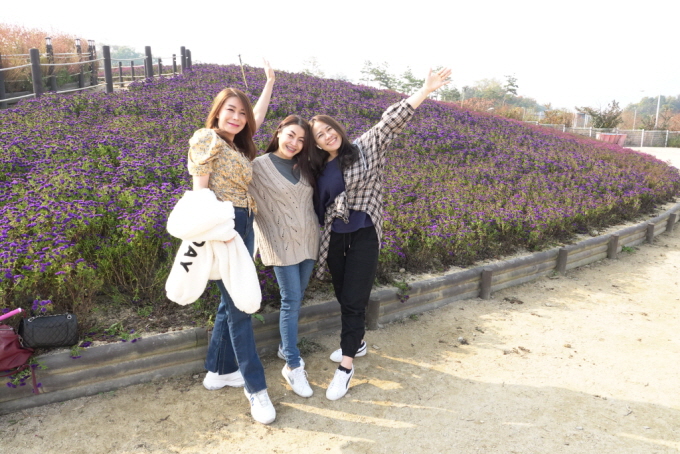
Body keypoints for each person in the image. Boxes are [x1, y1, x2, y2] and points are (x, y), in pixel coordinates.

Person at [309, 67, 452, 401]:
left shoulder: (365, 146)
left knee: (355, 298)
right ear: (315, 143)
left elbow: (392, 120)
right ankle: (356, 343)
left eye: (329, 129)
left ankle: (345, 367)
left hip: (364, 232)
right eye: (320, 135)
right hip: (334, 237)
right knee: (343, 294)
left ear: (338, 129)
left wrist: (424, 90)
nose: (327, 136)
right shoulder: (318, 168)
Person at [187, 60, 276, 424]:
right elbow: (200, 192)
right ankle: (256, 389)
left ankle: (219, 371)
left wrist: (269, 82)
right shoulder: (207, 138)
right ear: (217, 112)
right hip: (224, 223)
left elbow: (255, 118)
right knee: (241, 305)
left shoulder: (237, 145)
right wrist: (215, 231)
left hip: (244, 222)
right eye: (230, 110)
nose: (237, 117)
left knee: (230, 302)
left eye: (241, 113)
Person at [250, 115, 319, 398]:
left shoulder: (305, 166)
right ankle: (292, 363)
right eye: (291, 135)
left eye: (301, 140)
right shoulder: (258, 166)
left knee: (297, 297)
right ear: (279, 131)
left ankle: (284, 347)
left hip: (309, 241)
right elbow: (240, 198)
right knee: (290, 300)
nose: (294, 143)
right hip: (280, 244)